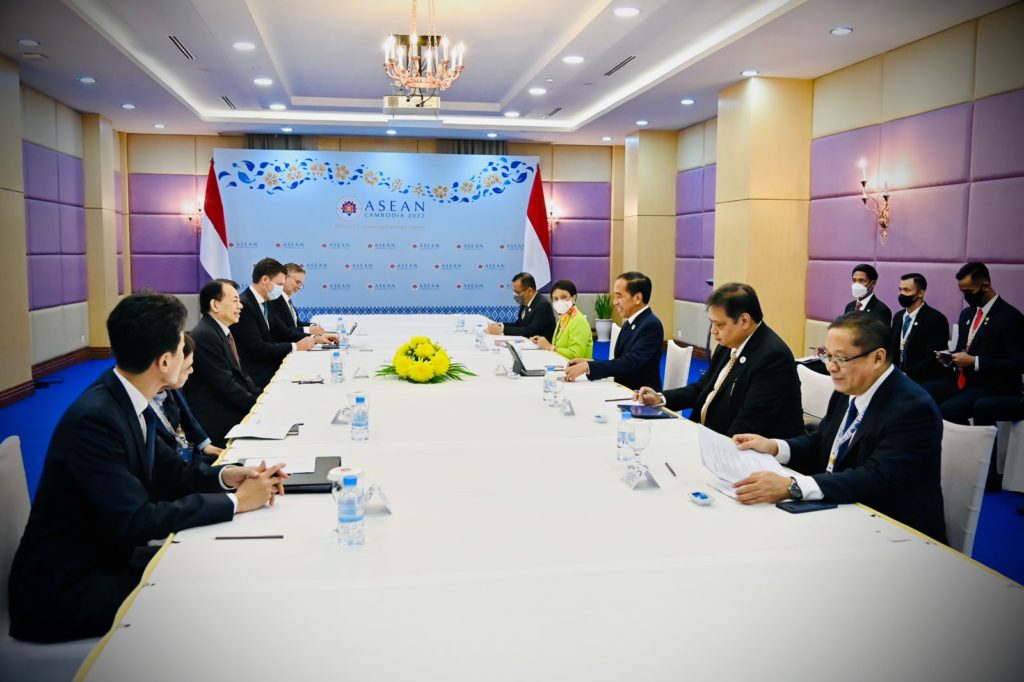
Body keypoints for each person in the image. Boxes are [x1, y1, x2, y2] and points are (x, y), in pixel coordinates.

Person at [8, 292, 288, 643]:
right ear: (164, 361)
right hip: (67, 591)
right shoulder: (96, 419)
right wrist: (238, 503)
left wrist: (226, 476)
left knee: (224, 569)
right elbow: (137, 520)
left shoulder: (126, 397)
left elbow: (172, 472)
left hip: (107, 559)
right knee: (220, 601)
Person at [731, 312, 946, 542]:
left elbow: (876, 479)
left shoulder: (912, 408)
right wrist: (774, 447)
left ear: (878, 358)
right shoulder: (849, 390)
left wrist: (793, 487)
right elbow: (822, 441)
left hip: (894, 532)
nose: (831, 367)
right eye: (828, 356)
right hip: (842, 510)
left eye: (841, 359)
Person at [633, 283, 803, 438]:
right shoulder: (728, 345)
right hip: (705, 434)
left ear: (744, 321)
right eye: (711, 324)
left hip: (746, 451)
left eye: (720, 325)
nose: (713, 332)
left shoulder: (772, 357)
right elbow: (702, 388)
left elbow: (750, 421)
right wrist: (660, 398)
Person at [923, 262, 1024, 425]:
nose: (966, 297)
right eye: (962, 292)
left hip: (993, 385)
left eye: (969, 291)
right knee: (924, 393)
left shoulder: (1009, 317)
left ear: (985, 286)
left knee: (948, 410)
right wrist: (950, 357)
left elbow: (1018, 363)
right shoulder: (967, 314)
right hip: (965, 381)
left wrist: (975, 362)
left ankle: (974, 446)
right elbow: (965, 348)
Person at [185, 279, 262, 447]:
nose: (240, 306)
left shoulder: (220, 331)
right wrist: (259, 407)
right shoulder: (206, 335)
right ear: (215, 305)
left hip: (228, 406)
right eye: (235, 301)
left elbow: (240, 374)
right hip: (217, 419)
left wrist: (261, 398)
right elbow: (226, 386)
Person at [563, 271, 663, 391]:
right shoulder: (630, 322)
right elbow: (620, 361)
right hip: (623, 388)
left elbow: (630, 363)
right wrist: (590, 362)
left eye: (619, 296)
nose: (615, 302)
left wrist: (589, 367)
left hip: (640, 396)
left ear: (637, 298)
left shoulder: (651, 325)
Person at [234, 257, 316, 388]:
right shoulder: (244, 305)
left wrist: (314, 339)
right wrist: (295, 347)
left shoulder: (266, 301)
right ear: (265, 280)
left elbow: (282, 331)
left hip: (270, 364)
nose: (281, 289)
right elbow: (257, 348)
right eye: (279, 285)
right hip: (257, 374)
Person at [152, 333, 223, 465]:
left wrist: (204, 444)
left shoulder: (171, 385)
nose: (191, 371)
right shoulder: (138, 404)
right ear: (165, 362)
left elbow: (186, 414)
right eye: (187, 366)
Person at [890, 272, 948, 384]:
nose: (901, 294)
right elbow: (892, 349)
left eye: (906, 290)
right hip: (897, 375)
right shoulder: (898, 317)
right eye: (900, 289)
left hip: (922, 378)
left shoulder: (935, 319)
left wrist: (906, 373)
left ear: (920, 293)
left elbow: (932, 359)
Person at [269, 263, 336, 343]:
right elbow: (284, 331)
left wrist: (312, 326)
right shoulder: (275, 299)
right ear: (285, 278)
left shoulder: (286, 299)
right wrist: (312, 335)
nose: (299, 287)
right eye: (297, 282)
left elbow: (296, 324)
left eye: (301, 284)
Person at [530, 279, 592, 360]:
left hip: (576, 369)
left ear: (573, 298)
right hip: (561, 364)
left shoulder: (578, 320)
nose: (559, 301)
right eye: (555, 298)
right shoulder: (563, 318)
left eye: (564, 297)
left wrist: (550, 347)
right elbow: (558, 345)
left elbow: (576, 355)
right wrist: (541, 342)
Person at [486, 272, 556, 341]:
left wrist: (502, 330)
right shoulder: (525, 301)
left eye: (517, 292)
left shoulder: (543, 305)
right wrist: (500, 325)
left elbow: (530, 331)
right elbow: (519, 324)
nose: (515, 295)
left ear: (529, 291)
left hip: (542, 347)